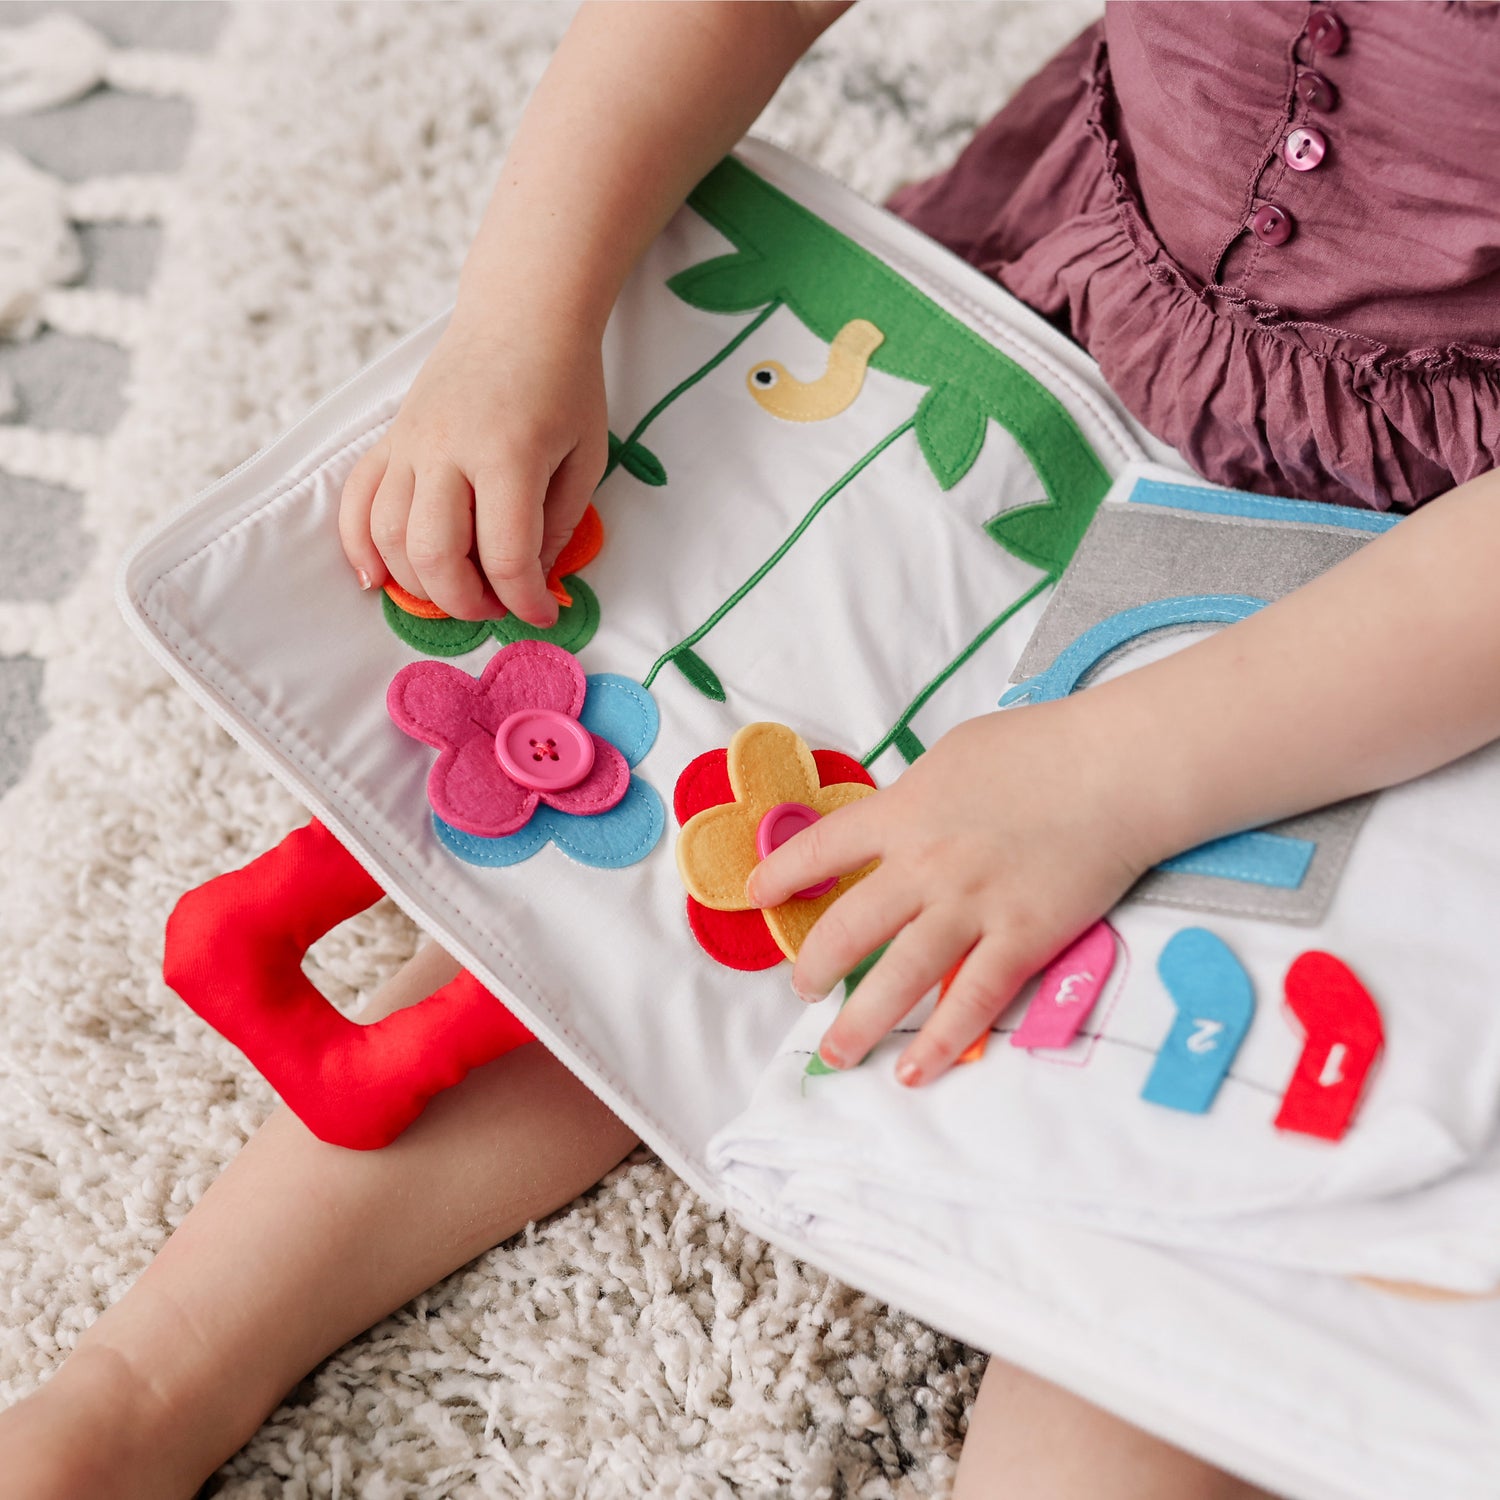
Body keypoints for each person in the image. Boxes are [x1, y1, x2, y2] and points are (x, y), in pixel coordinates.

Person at [4, 3, 1497, 1495]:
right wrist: (525, 318)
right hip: (1056, 358)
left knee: (1189, 1257)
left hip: (1418, 630)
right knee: (649, 875)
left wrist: (1108, 778)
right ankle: (144, 1385)